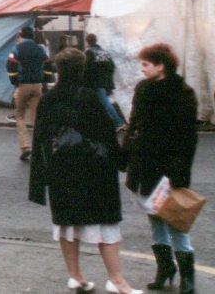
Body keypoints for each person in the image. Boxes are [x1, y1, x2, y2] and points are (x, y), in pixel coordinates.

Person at [29, 48, 142, 294]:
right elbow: (107, 135)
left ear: (59, 69)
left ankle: (75, 276)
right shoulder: (89, 97)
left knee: (68, 224)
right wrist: (122, 159)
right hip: (94, 170)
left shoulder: (48, 99)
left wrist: (40, 180)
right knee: (105, 225)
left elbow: (40, 140)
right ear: (82, 68)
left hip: (61, 171)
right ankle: (116, 280)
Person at [123, 43, 199, 294]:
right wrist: (126, 152)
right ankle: (165, 268)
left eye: (145, 64)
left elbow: (188, 137)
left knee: (175, 218)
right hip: (144, 163)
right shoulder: (143, 88)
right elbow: (133, 123)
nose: (142, 69)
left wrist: (179, 172)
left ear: (160, 66)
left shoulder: (182, 92)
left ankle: (188, 276)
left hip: (169, 166)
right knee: (154, 217)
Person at [10, 26, 48, 161]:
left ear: (21, 35)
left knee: (19, 115)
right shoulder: (40, 48)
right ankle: (39, 147)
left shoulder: (17, 48)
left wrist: (14, 80)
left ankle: (25, 147)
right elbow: (48, 63)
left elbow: (10, 64)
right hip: (37, 85)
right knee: (36, 117)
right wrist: (45, 79)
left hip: (24, 84)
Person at [84, 34, 125, 129]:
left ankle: (118, 122)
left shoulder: (89, 52)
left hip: (96, 82)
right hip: (105, 81)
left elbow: (87, 68)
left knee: (105, 103)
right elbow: (111, 66)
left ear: (87, 41)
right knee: (106, 102)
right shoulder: (103, 52)